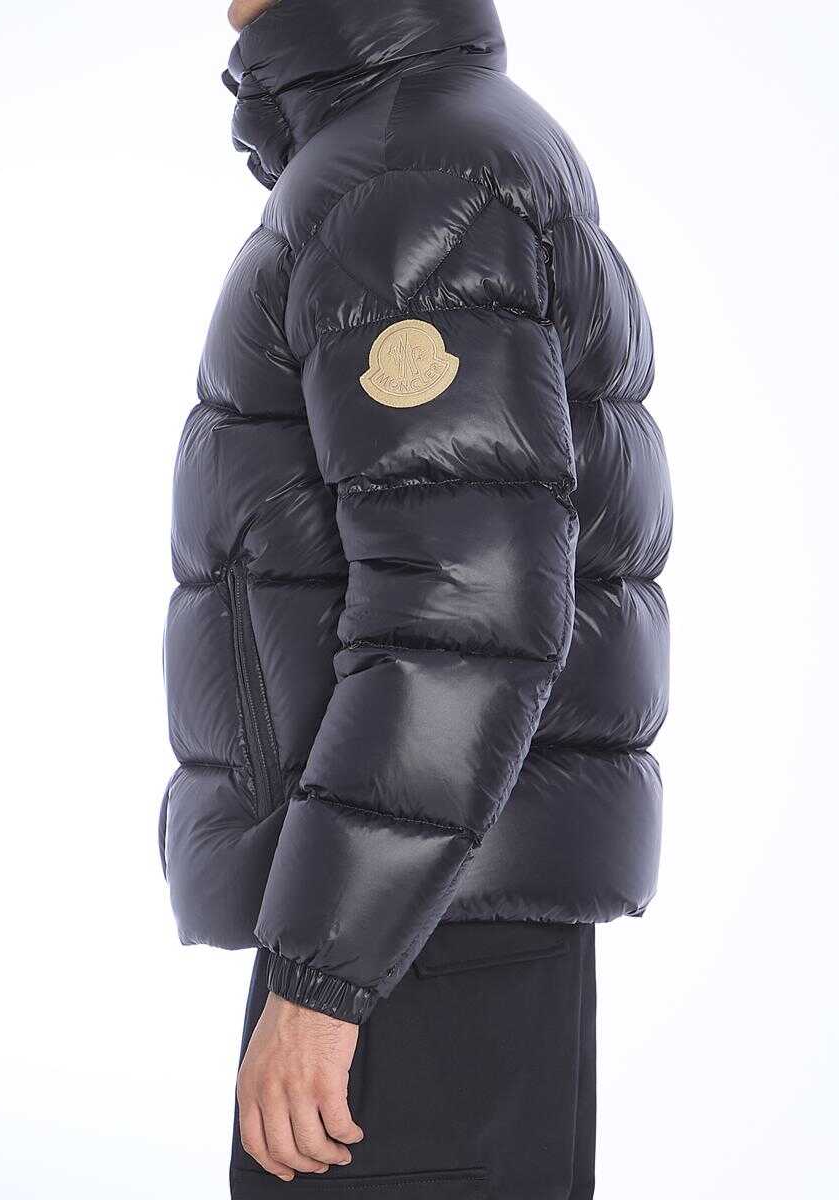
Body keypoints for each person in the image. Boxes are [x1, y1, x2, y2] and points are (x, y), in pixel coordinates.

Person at [160, 1, 672, 1195]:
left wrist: (327, 974)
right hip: (428, 907)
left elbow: (464, 606)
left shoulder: (408, 180)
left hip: (410, 935)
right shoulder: (422, 152)